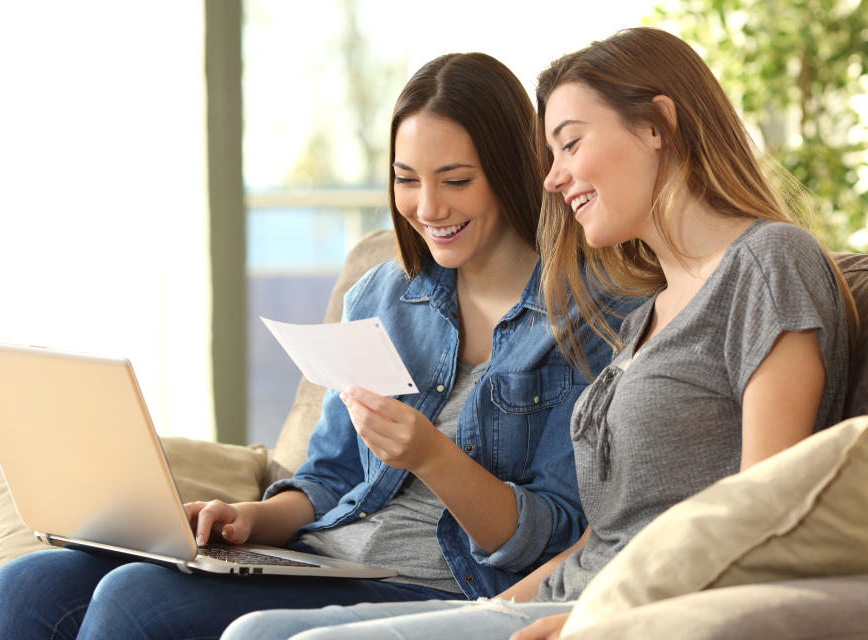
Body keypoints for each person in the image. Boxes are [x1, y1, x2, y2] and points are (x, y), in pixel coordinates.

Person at [220, 26, 857, 640]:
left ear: (657, 125)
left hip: (622, 610)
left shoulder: (769, 262)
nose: (551, 177)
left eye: (571, 144)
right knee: (248, 628)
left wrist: (602, 621)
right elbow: (600, 538)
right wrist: (488, 613)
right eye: (550, 155)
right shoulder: (646, 315)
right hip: (559, 594)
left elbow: (766, 515)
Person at [0, 52, 618, 640]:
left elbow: (549, 537)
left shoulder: (590, 318)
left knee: (135, 600)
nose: (426, 208)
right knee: (27, 583)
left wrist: (432, 456)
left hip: (440, 586)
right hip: (327, 560)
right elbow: (331, 474)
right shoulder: (385, 295)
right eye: (406, 179)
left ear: (511, 171)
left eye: (455, 180)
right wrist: (251, 520)